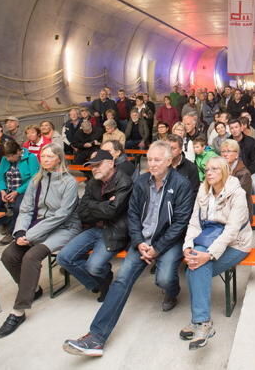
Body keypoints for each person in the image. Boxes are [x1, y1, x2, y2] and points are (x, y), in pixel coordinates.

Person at [62, 141, 194, 356]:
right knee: (122, 279)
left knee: (164, 278)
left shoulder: (181, 184)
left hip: (168, 241)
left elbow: (180, 222)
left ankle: (172, 292)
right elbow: (132, 215)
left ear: (169, 161)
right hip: (142, 240)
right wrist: (139, 241)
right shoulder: (141, 182)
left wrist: (158, 247)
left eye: (157, 159)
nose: (152, 164)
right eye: (150, 159)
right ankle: (96, 337)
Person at [0, 144, 81, 338]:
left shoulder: (69, 182)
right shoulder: (37, 180)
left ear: (59, 159)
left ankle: (18, 311)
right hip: (40, 226)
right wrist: (19, 233)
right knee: (8, 255)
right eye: (42, 156)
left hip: (64, 228)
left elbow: (62, 215)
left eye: (49, 156)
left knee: (31, 256)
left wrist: (31, 236)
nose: (44, 159)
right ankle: (32, 288)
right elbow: (25, 209)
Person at [180, 156, 253, 350]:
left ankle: (202, 322)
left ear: (224, 172)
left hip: (236, 243)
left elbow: (231, 231)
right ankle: (201, 322)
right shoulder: (203, 191)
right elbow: (194, 223)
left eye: (214, 169)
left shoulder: (237, 194)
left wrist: (208, 255)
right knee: (195, 266)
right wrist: (187, 247)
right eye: (206, 169)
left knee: (196, 269)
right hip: (209, 238)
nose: (208, 172)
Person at [57, 149, 133, 302]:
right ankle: (98, 283)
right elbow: (82, 211)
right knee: (63, 258)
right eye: (92, 166)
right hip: (95, 227)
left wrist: (95, 206)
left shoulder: (124, 181)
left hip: (115, 231)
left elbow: (113, 212)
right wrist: (104, 205)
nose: (94, 169)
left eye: (98, 164)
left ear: (111, 163)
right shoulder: (93, 182)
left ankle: (102, 275)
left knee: (94, 266)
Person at [0, 140, 40, 245]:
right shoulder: (5, 159)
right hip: (8, 189)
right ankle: (9, 221)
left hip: (24, 190)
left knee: (18, 207)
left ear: (18, 151)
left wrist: (17, 191)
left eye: (10, 156)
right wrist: (2, 190)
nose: (8, 159)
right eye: (6, 157)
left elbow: (34, 179)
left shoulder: (31, 158)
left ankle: (11, 232)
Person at [219, 139, 254, 218]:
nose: (225, 154)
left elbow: (239, 198)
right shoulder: (220, 169)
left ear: (237, 155)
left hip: (240, 213)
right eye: (223, 151)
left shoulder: (244, 173)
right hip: (224, 210)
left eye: (229, 151)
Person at [166, 134, 200, 199]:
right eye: (167, 148)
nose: (169, 151)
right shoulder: (161, 166)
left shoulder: (191, 167)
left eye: (173, 148)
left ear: (180, 150)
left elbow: (194, 192)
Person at [228, 119, 255, 188]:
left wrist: (246, 173)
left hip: (249, 171)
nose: (234, 130)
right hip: (232, 172)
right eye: (232, 128)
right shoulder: (227, 142)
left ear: (241, 128)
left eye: (236, 127)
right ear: (230, 130)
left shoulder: (251, 141)